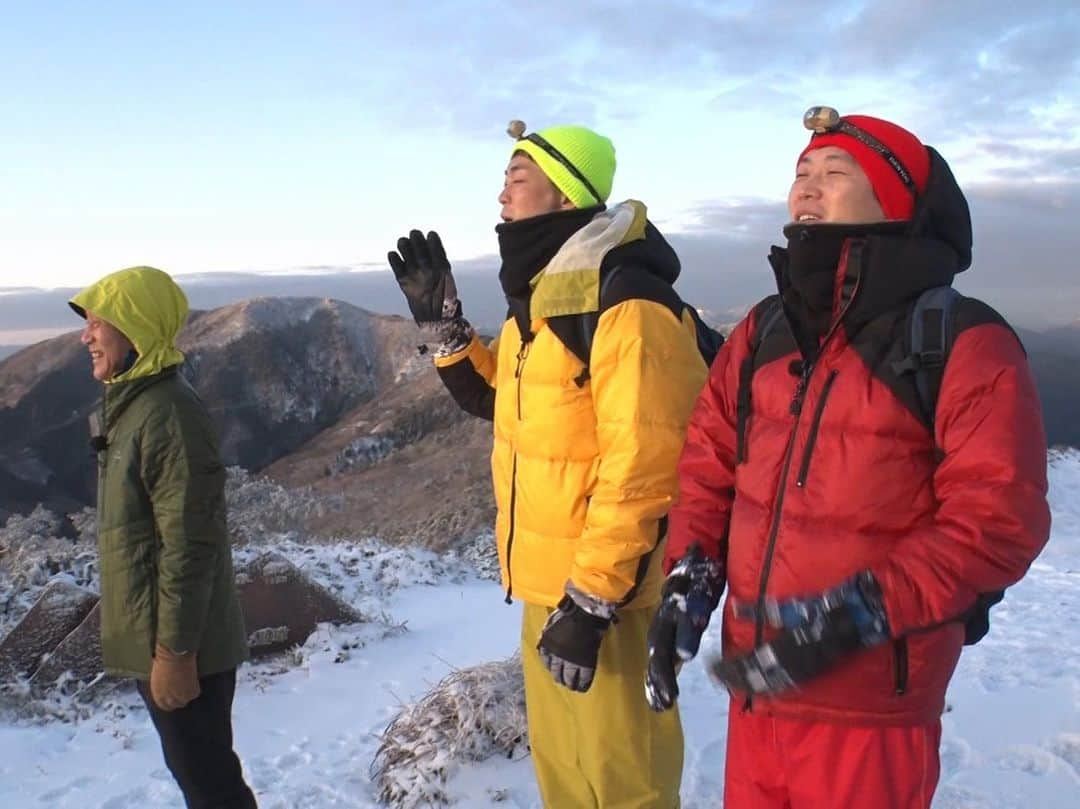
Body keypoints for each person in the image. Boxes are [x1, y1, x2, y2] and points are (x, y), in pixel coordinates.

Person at [646, 107, 1051, 808]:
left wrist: (858, 614)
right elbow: (709, 465)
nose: (807, 186)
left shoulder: (961, 341)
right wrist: (689, 576)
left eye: (834, 172)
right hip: (758, 699)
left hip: (871, 712)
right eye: (802, 172)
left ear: (892, 200)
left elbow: (998, 519)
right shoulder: (764, 331)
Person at [388, 121, 708, 807]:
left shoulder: (626, 302)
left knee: (627, 786)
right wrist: (445, 329)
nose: (502, 190)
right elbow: (502, 400)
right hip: (547, 589)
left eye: (518, 175)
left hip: (611, 600)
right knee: (564, 779)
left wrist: (592, 601)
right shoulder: (544, 302)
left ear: (566, 195)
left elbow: (646, 467)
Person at [70, 266, 257, 809]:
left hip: (181, 646)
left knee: (210, 784)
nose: (86, 335)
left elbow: (188, 544)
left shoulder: (167, 413)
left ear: (136, 328)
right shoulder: (135, 406)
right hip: (162, 637)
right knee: (199, 776)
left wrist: (175, 651)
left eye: (99, 322)